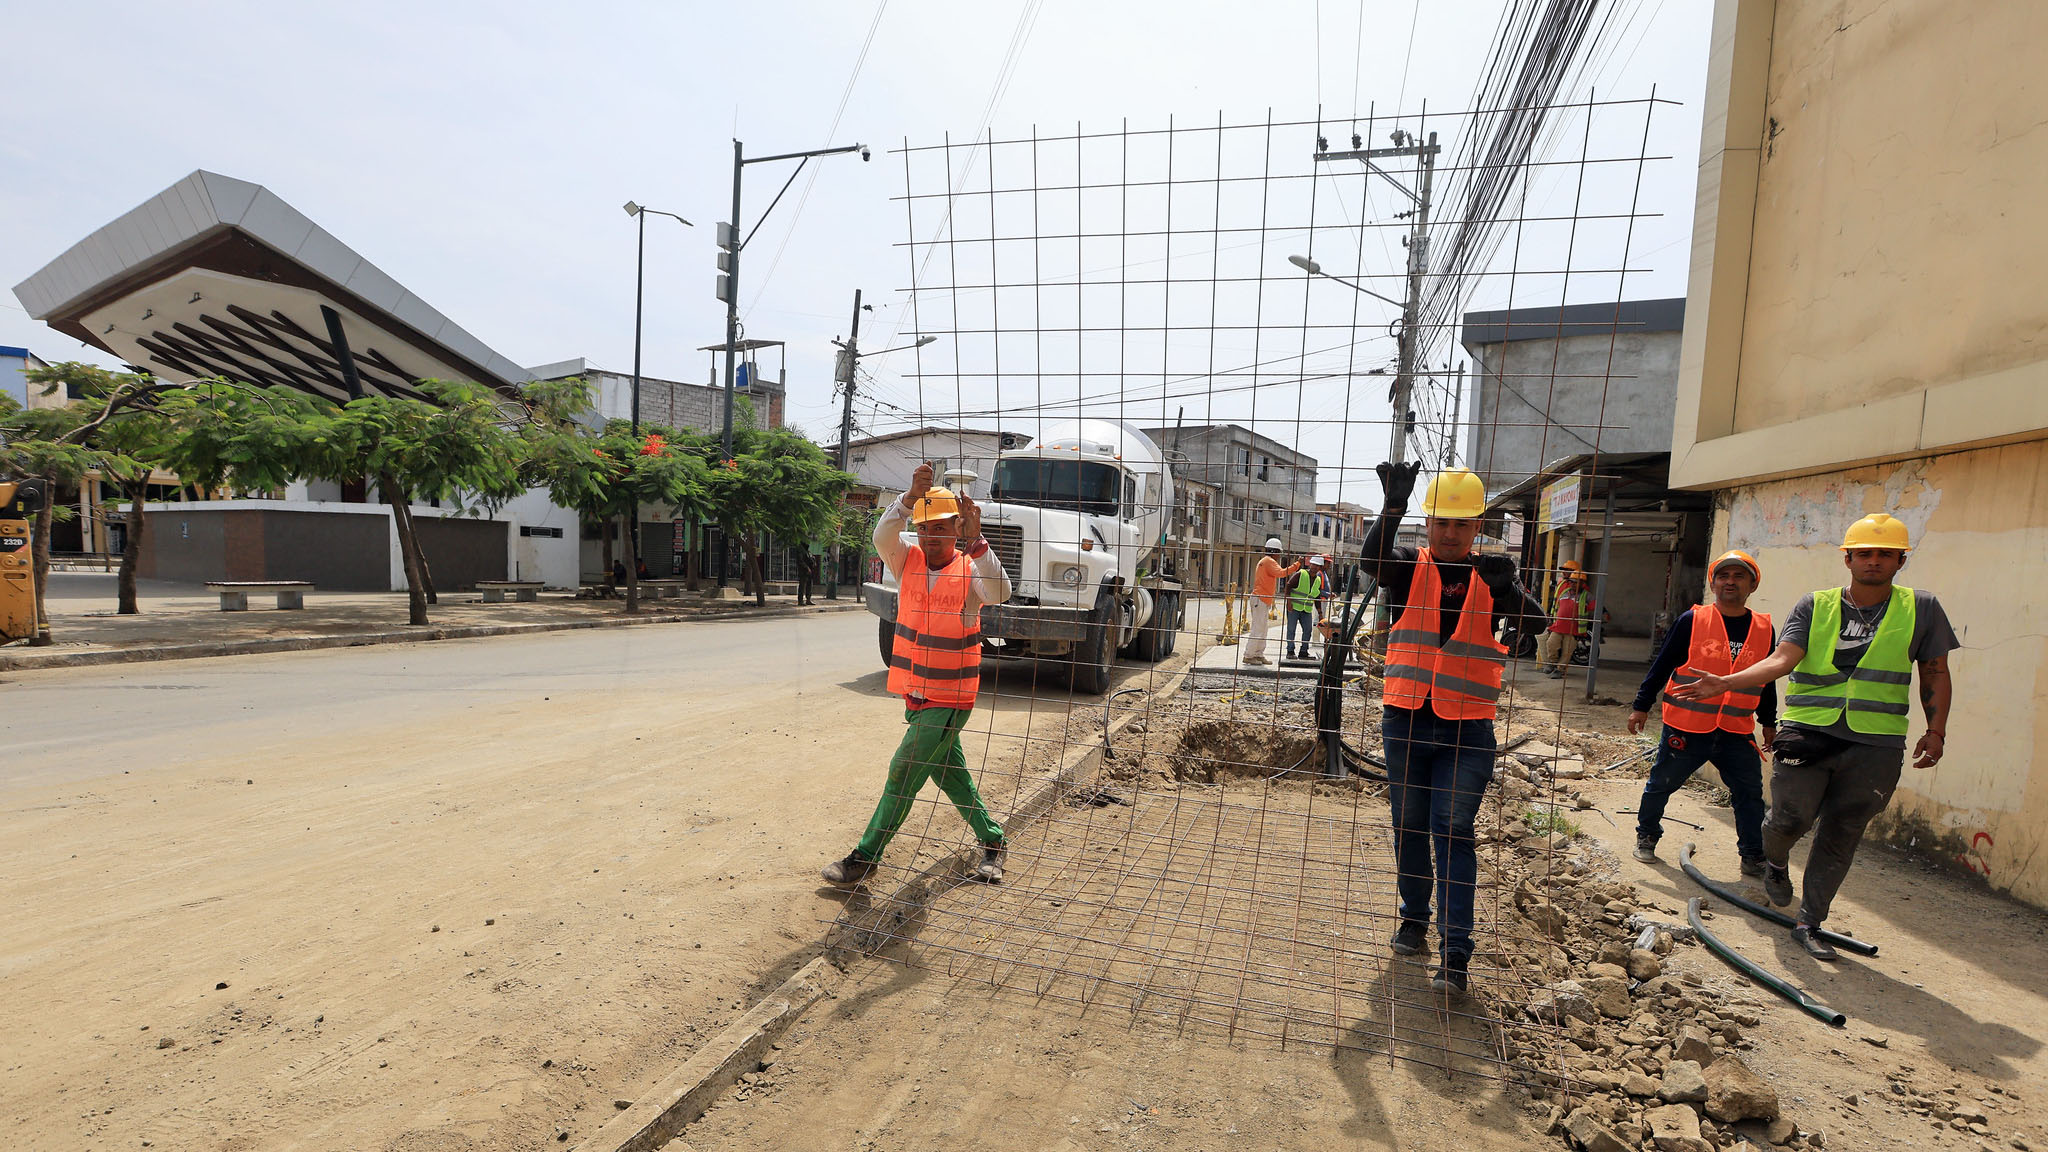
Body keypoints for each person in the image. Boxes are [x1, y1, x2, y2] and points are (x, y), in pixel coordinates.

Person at [1674, 514, 1956, 961]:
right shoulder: (1816, 604)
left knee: (1842, 832)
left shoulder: (1922, 608)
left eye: (1885, 554)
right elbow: (1784, 658)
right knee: (1788, 819)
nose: (1874, 562)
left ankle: (1811, 922)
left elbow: (1935, 671)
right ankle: (1776, 861)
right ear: (1848, 559)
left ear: (1901, 561)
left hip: (1877, 742)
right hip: (1807, 731)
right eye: (1865, 553)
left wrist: (1936, 729)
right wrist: (1727, 682)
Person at [1360, 462, 1544, 994]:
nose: (1449, 533)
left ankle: (1456, 953)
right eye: (1442, 522)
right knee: (1410, 825)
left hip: (1467, 731)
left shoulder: (1492, 574)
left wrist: (1508, 592)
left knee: (1453, 828)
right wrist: (1391, 509)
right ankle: (1414, 917)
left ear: (1477, 526)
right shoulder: (1408, 565)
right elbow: (1373, 560)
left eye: (1461, 525)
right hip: (1407, 721)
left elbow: (1538, 625)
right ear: (1430, 520)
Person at [822, 462, 1014, 887]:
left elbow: (1002, 592)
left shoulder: (970, 568)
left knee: (904, 769)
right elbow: (881, 536)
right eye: (925, 528)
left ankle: (866, 855)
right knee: (950, 774)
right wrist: (908, 499)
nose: (931, 536)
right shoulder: (905, 560)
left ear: (956, 528)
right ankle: (994, 841)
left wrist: (978, 541)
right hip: (916, 694)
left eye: (942, 528)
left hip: (951, 697)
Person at [1627, 549, 1779, 875]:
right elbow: (1662, 665)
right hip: (1688, 724)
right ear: (1713, 583)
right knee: (1662, 783)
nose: (1730, 582)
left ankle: (1753, 855)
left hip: (1736, 729)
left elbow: (1767, 680)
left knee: (1749, 793)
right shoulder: (1693, 621)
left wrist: (1769, 721)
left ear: (1752, 585)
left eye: (1739, 576)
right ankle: (1647, 836)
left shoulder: (1764, 629)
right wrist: (1641, 705)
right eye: (1723, 576)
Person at [1244, 538, 1301, 665]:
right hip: (1260, 598)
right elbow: (1281, 573)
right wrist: (1296, 565)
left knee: (1263, 629)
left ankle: (1258, 654)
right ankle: (1249, 655)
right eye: (1279, 553)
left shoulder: (1265, 561)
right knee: (1258, 629)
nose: (1279, 556)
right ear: (1275, 552)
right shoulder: (1269, 561)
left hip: (1262, 599)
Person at [1284, 554, 1328, 659]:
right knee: (1291, 629)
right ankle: (1290, 651)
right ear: (1310, 564)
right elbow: (1288, 586)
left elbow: (1316, 597)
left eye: (1317, 565)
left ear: (1320, 568)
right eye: (1313, 564)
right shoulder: (1301, 574)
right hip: (1294, 607)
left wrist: (1320, 613)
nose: (1314, 567)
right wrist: (1289, 602)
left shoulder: (1318, 580)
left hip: (1306, 609)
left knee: (1308, 630)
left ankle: (1303, 651)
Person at [1536, 579, 1580, 677]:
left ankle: (1560, 670)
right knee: (1551, 643)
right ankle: (1553, 663)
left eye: (1575, 582)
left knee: (1567, 651)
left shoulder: (1585, 596)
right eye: (1571, 582)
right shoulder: (1564, 592)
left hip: (1573, 629)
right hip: (1559, 626)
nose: (1573, 584)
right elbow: (1555, 605)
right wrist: (1551, 616)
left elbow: (1595, 606)